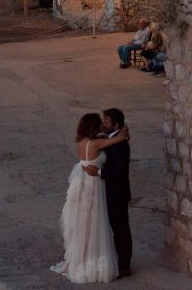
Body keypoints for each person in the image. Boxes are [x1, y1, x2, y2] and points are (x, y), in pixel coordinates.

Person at [51, 113, 129, 283]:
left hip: (81, 182)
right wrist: (123, 130)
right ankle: (94, 260)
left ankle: (82, 258)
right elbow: (119, 138)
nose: (103, 125)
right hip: (94, 184)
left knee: (83, 222)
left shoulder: (81, 142)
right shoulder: (97, 143)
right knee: (94, 221)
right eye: (100, 123)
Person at [83, 108, 133, 278]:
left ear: (116, 125)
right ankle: (119, 260)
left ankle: (125, 265)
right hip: (109, 192)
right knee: (114, 227)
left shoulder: (120, 145)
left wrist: (97, 172)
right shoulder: (112, 137)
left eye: (106, 121)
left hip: (117, 193)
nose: (103, 124)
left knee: (120, 229)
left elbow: (119, 171)